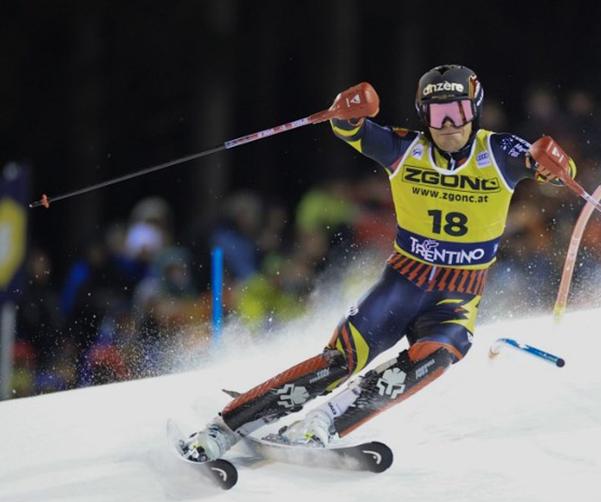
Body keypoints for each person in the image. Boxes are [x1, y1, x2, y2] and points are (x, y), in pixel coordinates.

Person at [181, 64, 578, 461]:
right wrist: (346, 109)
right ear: (423, 115)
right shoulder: (404, 148)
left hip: (457, 295)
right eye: (438, 114)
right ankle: (224, 428)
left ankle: (323, 422)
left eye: (458, 112)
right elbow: (348, 128)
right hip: (403, 284)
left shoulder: (500, 152)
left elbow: (560, 175)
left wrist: (556, 164)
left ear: (474, 110)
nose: (448, 125)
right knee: (341, 361)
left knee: (439, 354)